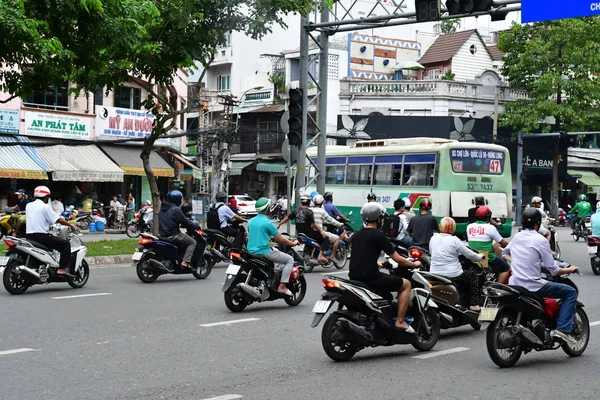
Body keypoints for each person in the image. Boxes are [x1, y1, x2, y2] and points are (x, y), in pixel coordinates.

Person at [503, 208, 579, 344]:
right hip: (533, 285)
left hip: (514, 283)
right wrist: (570, 270)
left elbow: (505, 253)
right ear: (538, 222)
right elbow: (553, 270)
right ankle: (561, 330)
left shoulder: (517, 236)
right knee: (570, 292)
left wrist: (518, 261)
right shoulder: (541, 240)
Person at [349, 202, 421, 332]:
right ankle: (400, 321)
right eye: (381, 218)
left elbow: (362, 256)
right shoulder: (378, 235)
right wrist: (414, 264)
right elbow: (398, 259)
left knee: (387, 295)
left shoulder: (356, 235)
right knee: (406, 284)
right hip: (371, 278)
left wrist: (380, 263)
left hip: (354, 277)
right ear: (378, 219)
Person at [429, 217, 484, 312]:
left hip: (435, 274)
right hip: (453, 275)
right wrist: (480, 257)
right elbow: (469, 255)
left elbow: (431, 252)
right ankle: (474, 304)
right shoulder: (455, 240)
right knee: (473, 275)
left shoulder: (433, 238)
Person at [248, 198, 299, 296]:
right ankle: (282, 286)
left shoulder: (250, 222)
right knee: (289, 260)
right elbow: (283, 240)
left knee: (275, 250)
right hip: (264, 252)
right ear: (268, 209)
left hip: (250, 251)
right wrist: (293, 243)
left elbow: (255, 235)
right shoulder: (268, 223)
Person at [26, 186, 77, 275]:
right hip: (41, 237)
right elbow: (58, 219)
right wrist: (71, 226)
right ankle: (61, 269)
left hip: (29, 236)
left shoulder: (28, 205)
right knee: (65, 244)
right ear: (46, 197)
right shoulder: (45, 207)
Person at [278, 195, 329, 263]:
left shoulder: (296, 210)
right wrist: (321, 231)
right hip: (309, 234)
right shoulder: (309, 211)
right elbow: (313, 224)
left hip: (299, 233)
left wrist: (279, 224)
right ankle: (321, 255)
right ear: (309, 202)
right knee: (326, 238)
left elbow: (287, 218)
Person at [467, 206, 510, 284]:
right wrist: (511, 246)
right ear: (489, 217)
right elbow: (502, 242)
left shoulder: (469, 227)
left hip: (473, 256)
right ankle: (498, 287)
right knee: (506, 268)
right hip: (486, 258)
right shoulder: (490, 227)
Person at [158, 190, 197, 268]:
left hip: (163, 234)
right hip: (174, 235)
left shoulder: (162, 208)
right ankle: (185, 262)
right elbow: (186, 221)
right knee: (192, 242)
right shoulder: (175, 209)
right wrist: (195, 224)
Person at [311, 194, 343, 262]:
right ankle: (331, 256)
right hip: (318, 232)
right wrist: (339, 224)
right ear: (322, 202)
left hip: (310, 232)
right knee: (336, 238)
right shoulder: (322, 211)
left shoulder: (310, 210)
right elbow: (330, 220)